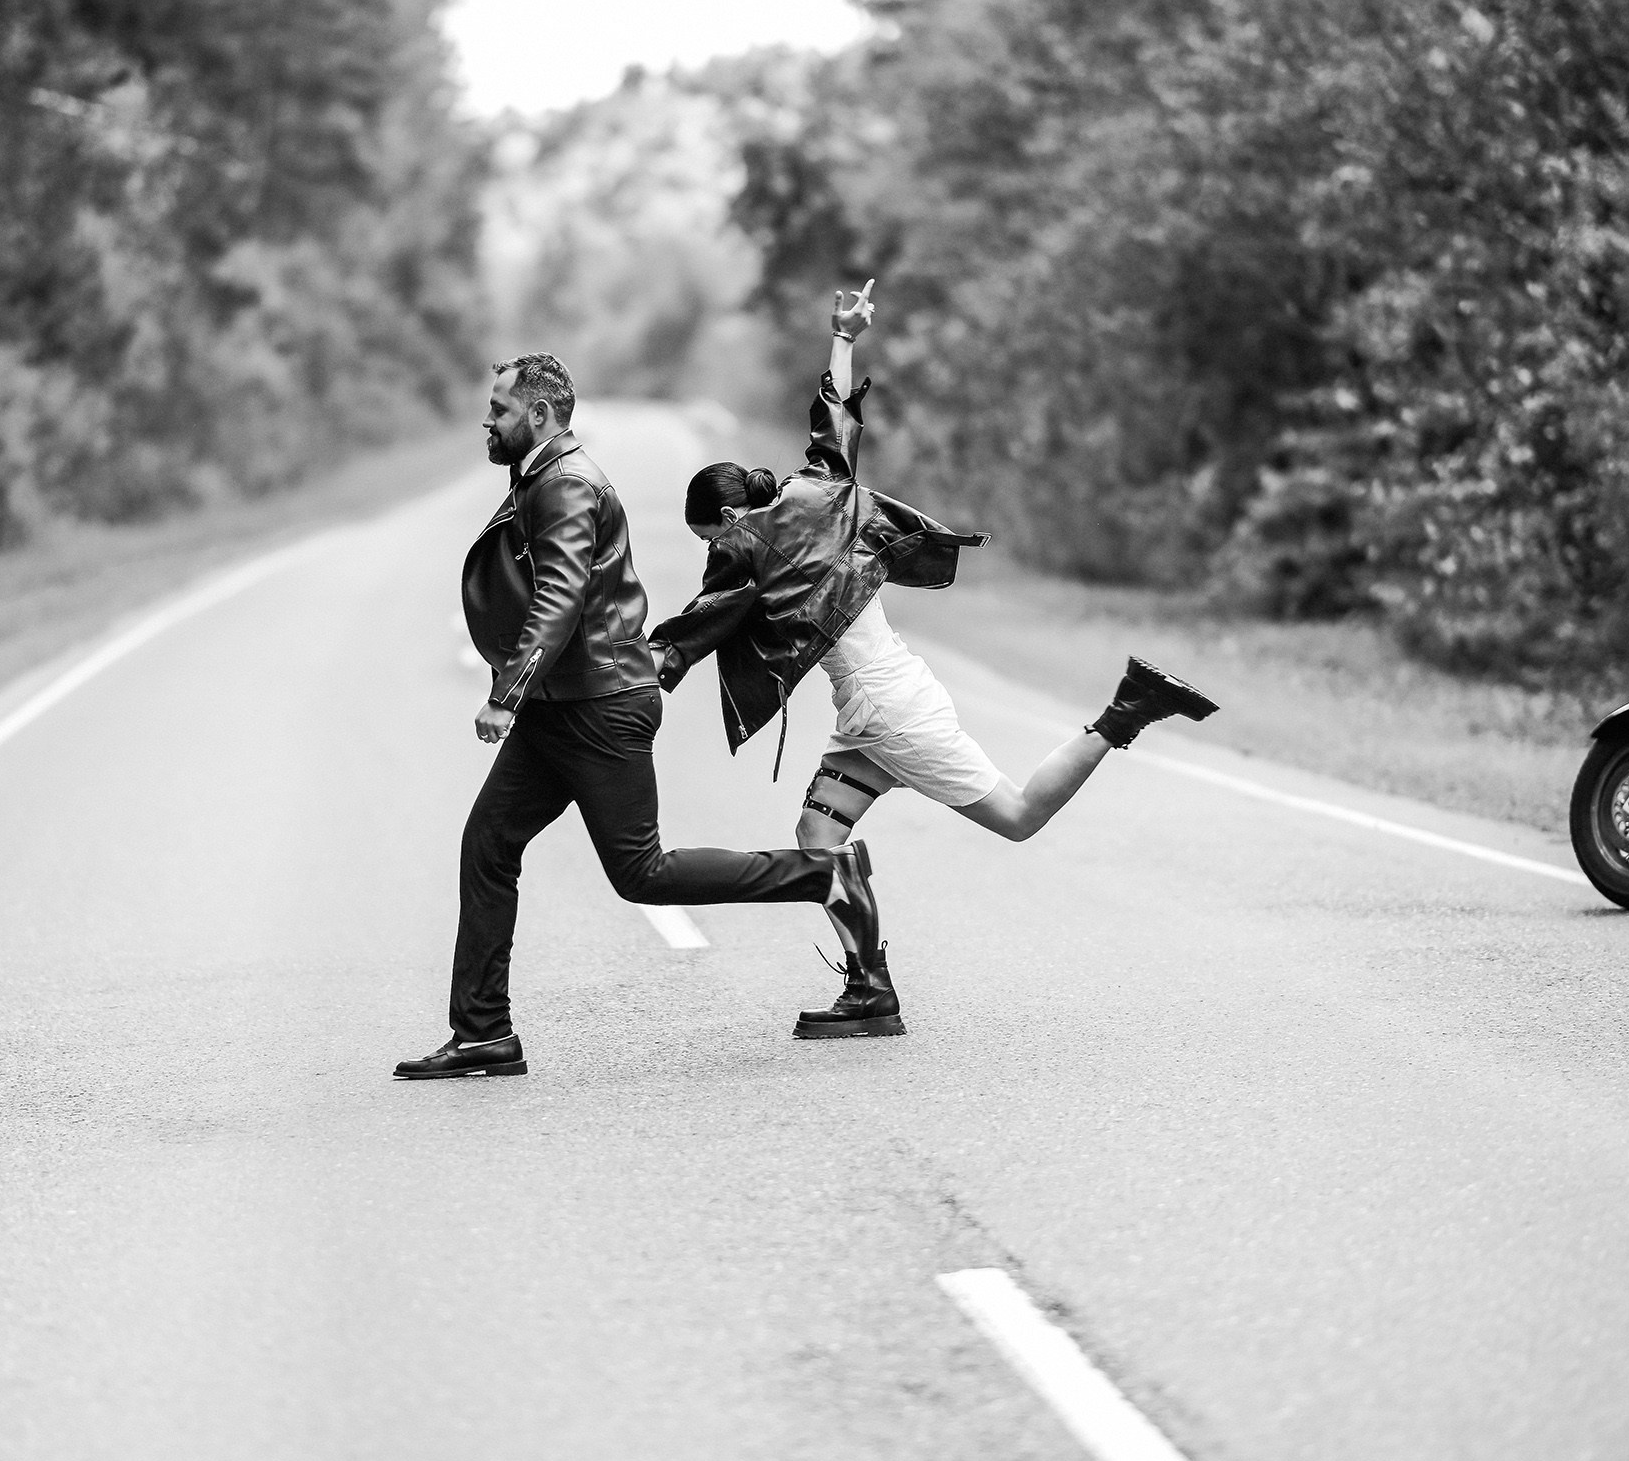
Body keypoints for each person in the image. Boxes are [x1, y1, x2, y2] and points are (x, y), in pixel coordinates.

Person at [649, 282, 1219, 1039]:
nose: (711, 554)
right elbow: (838, 418)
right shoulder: (822, 490)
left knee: (1018, 816)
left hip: (892, 716)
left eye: (706, 540)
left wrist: (627, 671)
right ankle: (870, 990)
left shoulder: (746, 544)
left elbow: (691, 630)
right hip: (874, 713)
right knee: (820, 840)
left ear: (724, 519)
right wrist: (844, 337)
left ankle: (1127, 709)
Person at [398, 352, 888, 1081]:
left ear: (538, 415)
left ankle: (825, 873)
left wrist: (506, 693)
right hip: (566, 703)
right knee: (489, 845)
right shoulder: (545, 473)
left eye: (499, 409)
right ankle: (483, 1033)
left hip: (596, 707)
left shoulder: (565, 486)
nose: (487, 419)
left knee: (643, 872)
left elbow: (561, 596)